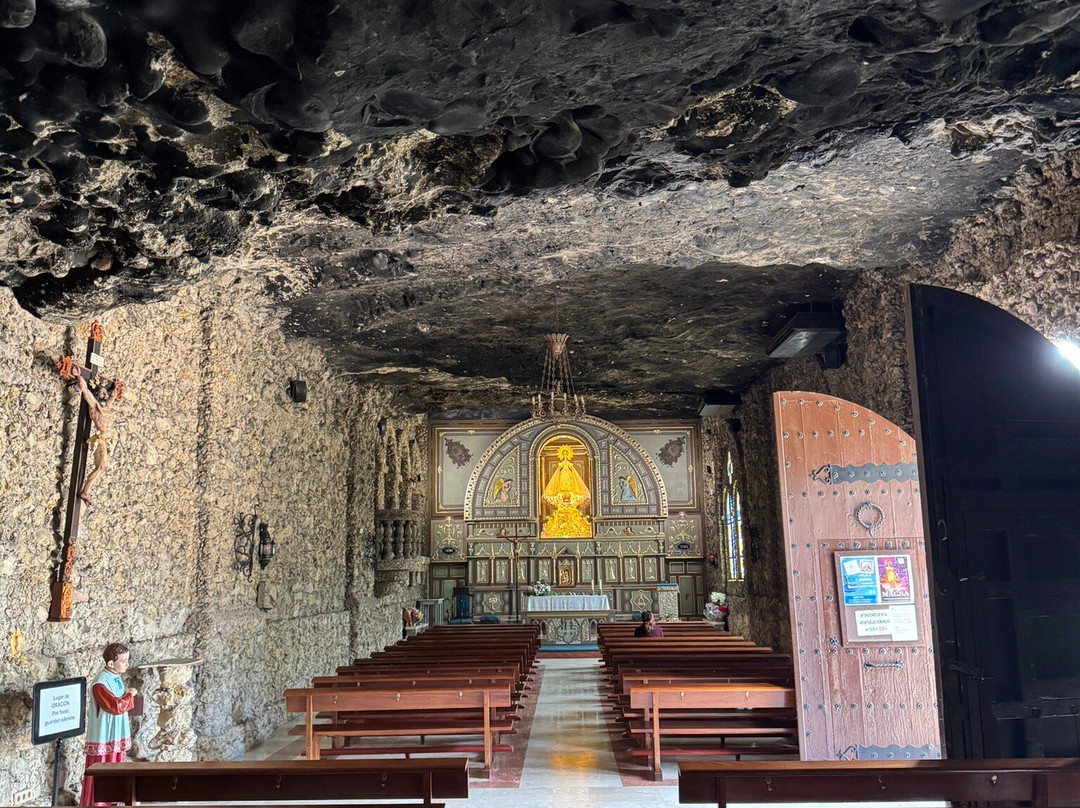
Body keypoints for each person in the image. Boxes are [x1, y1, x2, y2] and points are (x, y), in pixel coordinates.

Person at [80, 642, 138, 807]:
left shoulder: (115, 676)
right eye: (123, 661)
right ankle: (99, 802)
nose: (127, 664)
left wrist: (126, 696)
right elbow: (116, 706)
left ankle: (114, 798)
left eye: (127, 660)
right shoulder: (101, 683)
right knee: (104, 765)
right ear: (111, 663)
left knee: (117, 764)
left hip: (116, 731)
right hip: (105, 733)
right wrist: (130, 695)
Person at [73, 367, 121, 506]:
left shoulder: (107, 407)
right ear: (98, 395)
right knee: (101, 466)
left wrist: (116, 386)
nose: (106, 396)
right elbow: (86, 391)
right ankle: (85, 492)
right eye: (103, 393)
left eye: (106, 394)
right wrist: (79, 377)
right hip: (100, 439)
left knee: (103, 467)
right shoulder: (95, 406)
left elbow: (113, 395)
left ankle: (86, 491)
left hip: (109, 441)